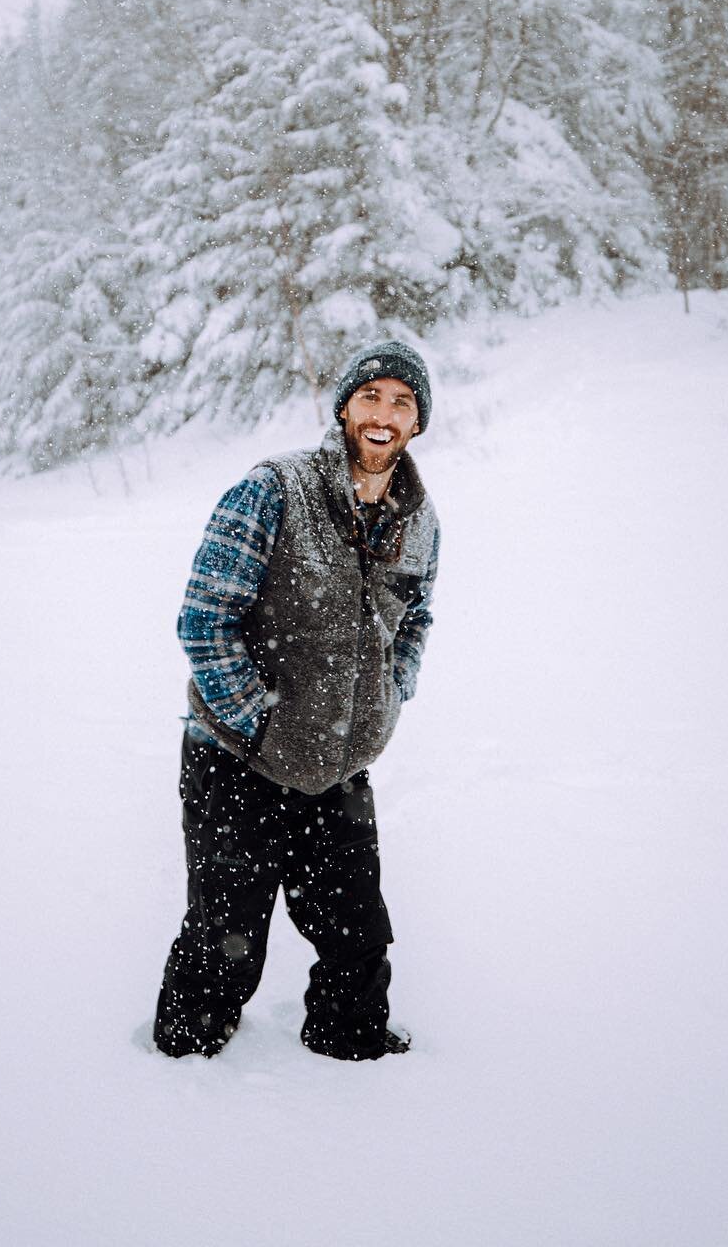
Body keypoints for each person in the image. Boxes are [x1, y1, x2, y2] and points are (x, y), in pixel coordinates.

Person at [152, 340, 441, 1061]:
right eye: (370, 396)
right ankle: (181, 1067)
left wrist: (388, 699)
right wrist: (261, 724)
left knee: (359, 936)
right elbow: (205, 616)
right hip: (236, 760)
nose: (384, 414)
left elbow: (417, 620)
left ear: (417, 423)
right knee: (226, 937)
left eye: (402, 401)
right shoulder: (275, 488)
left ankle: (351, 1048)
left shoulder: (421, 520)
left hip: (337, 767)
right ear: (344, 408)